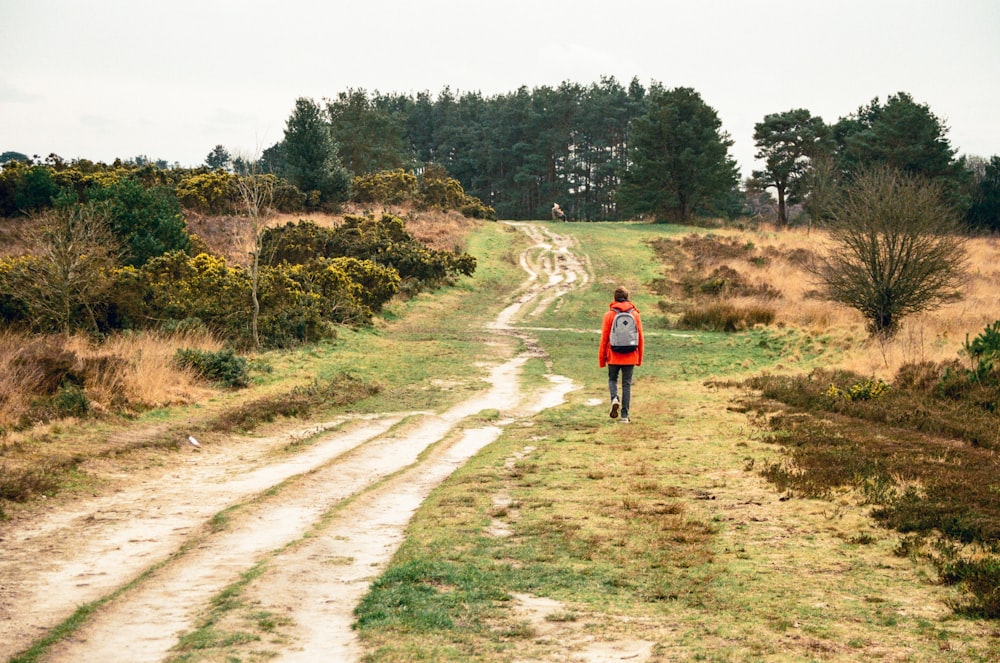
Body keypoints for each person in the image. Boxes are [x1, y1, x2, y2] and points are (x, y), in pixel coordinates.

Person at [598, 286, 644, 423]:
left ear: (614, 298)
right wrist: (639, 358)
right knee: (626, 384)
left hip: (613, 354)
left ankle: (614, 398)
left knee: (612, 379)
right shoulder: (635, 314)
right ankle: (624, 416)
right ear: (627, 297)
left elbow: (604, 339)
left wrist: (602, 359)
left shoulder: (609, 315)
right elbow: (640, 337)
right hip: (630, 355)